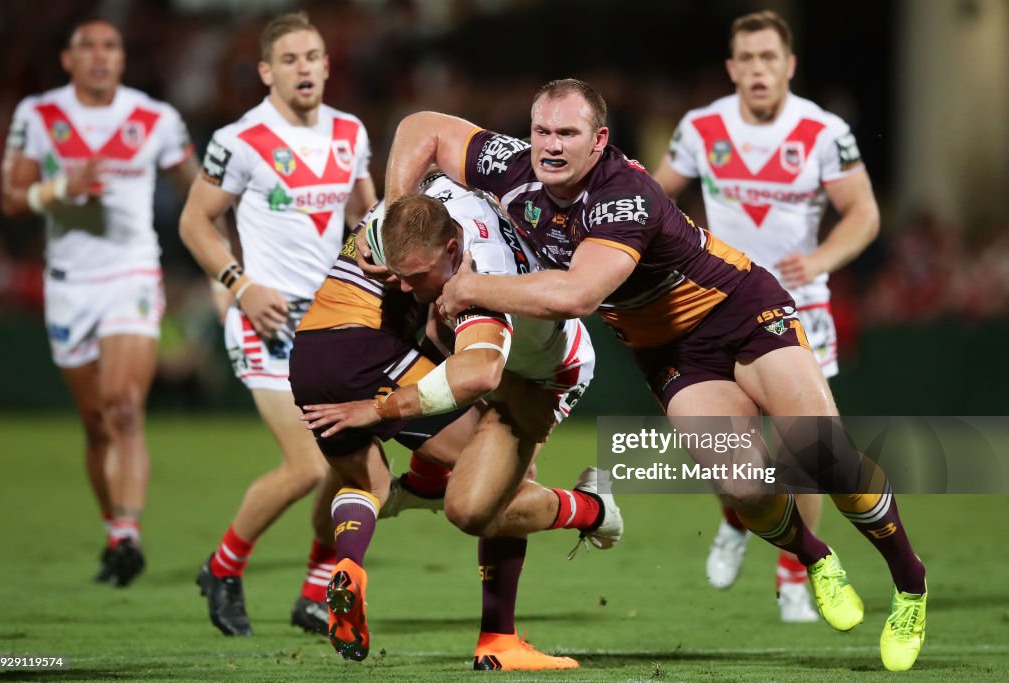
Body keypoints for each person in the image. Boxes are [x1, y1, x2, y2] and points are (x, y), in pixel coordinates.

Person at [379, 78, 927, 671]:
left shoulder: (622, 194)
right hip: (673, 355)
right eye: (542, 131)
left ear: (599, 141)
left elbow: (578, 293)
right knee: (746, 491)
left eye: (568, 133)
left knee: (822, 454)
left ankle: (910, 584)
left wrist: (470, 287)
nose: (552, 145)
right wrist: (393, 218)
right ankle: (815, 556)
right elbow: (421, 129)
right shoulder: (512, 166)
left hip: (740, 310)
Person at [297, 173, 622, 670]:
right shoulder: (423, 232)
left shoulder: (472, 271)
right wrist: (380, 405)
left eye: (413, 275)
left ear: (452, 247)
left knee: (369, 483)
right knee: (495, 489)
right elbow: (471, 370)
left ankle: (348, 565)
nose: (401, 283)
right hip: (373, 349)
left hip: (309, 357)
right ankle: (583, 519)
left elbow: (477, 370)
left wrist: (381, 407)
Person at [651, 10, 881, 623]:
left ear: (789, 66)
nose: (758, 69)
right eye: (747, 59)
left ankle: (796, 578)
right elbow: (652, 195)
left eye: (769, 58)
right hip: (716, 308)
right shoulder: (701, 128)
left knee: (807, 450)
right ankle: (734, 518)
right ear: (732, 68)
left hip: (798, 307)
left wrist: (823, 257)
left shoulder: (824, 131)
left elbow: (862, 212)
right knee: (735, 451)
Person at [178, 11, 377, 637]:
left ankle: (315, 594)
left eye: (313, 56)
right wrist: (239, 286)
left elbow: (367, 218)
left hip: (332, 326)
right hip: (266, 323)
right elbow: (194, 221)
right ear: (266, 71)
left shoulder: (349, 132)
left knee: (358, 469)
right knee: (309, 466)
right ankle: (223, 566)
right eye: (290, 59)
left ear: (326, 62)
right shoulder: (241, 139)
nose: (305, 68)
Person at [0, 19, 200, 587]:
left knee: (123, 407)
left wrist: (220, 255)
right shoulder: (39, 116)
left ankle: (129, 533)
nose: (99, 55)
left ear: (122, 57)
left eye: (110, 45)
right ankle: (114, 529)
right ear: (66, 59)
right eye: (86, 46)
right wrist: (61, 188)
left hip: (131, 273)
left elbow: (198, 189)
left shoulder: (153, 118)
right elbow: (12, 198)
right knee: (94, 423)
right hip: (68, 283)